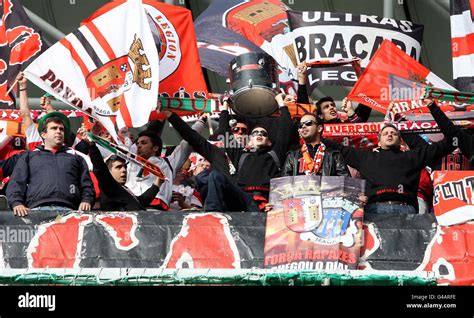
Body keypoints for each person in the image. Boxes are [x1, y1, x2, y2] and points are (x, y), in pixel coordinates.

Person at [163, 93, 293, 212]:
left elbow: (285, 131)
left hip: (267, 202)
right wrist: (171, 117)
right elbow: (194, 136)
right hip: (237, 202)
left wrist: (281, 102)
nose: (240, 133)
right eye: (235, 129)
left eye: (244, 131)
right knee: (215, 176)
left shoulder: (273, 155)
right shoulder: (224, 154)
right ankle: (212, 216)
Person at [321, 122, 456, 214]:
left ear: (400, 140)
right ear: (378, 141)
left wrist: (433, 108)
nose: (390, 135)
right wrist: (316, 135)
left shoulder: (413, 156)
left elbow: (450, 142)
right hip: (373, 210)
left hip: (406, 210)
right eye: (385, 133)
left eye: (394, 133)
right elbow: (336, 148)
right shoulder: (365, 157)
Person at [7, 112, 95, 216]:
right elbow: (17, 182)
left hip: (70, 212)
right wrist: (16, 202)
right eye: (54, 128)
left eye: (61, 129)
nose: (58, 131)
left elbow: (86, 185)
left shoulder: (77, 158)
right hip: (35, 211)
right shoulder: (29, 156)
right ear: (43, 134)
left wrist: (86, 200)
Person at [126, 116, 206, 210]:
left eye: (143, 143)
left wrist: (200, 122)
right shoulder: (129, 162)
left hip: (156, 211)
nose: (139, 146)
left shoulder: (167, 163)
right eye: (137, 143)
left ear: (155, 148)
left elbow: (187, 143)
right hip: (130, 209)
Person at [81, 130, 163, 211]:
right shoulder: (109, 188)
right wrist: (92, 146)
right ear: (108, 172)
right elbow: (100, 168)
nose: (124, 170)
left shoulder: (124, 189)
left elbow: (140, 202)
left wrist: (158, 183)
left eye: (125, 167)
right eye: (118, 167)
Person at [284, 113, 349, 176]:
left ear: (319, 128)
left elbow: (345, 182)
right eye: (300, 125)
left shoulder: (334, 156)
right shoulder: (292, 156)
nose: (303, 126)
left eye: (308, 123)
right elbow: (284, 183)